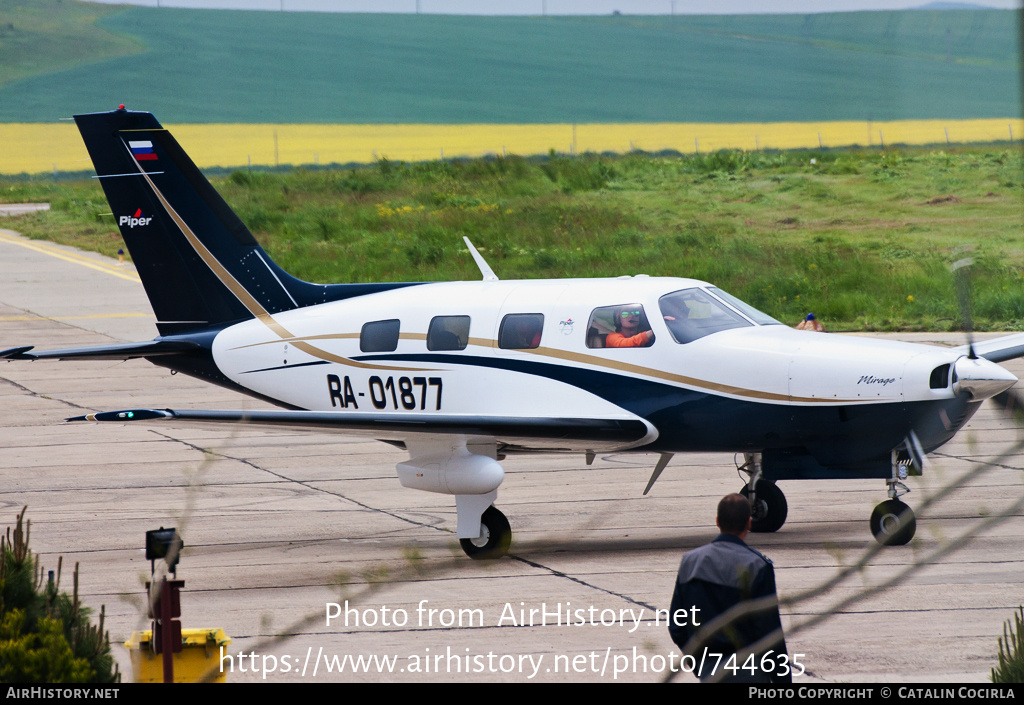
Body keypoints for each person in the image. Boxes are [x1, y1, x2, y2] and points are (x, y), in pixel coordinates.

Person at [668, 493, 791, 683]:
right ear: (749, 524)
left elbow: (677, 625)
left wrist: (699, 661)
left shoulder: (690, 562)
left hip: (709, 669)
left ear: (717, 521)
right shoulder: (756, 566)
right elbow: (769, 632)